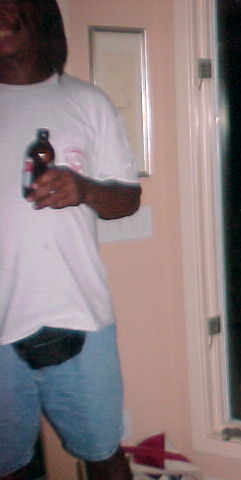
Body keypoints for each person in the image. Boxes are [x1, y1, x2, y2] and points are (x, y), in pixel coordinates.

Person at [0, 1, 141, 479]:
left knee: (104, 455)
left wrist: (83, 189)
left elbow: (127, 200)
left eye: (13, 7)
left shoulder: (87, 102)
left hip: (79, 315)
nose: (3, 19)